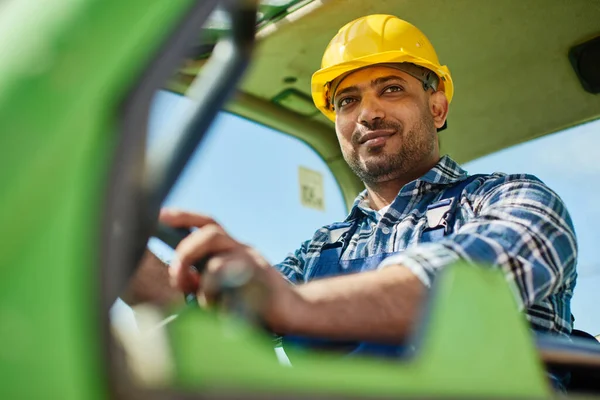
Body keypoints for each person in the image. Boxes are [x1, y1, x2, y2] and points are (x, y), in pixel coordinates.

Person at [125, 13, 577, 375]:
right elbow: (215, 311)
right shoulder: (322, 248)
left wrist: (293, 305)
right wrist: (112, 247)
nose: (368, 113)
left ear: (436, 107)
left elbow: (461, 289)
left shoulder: (513, 200)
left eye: (391, 89)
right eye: (348, 101)